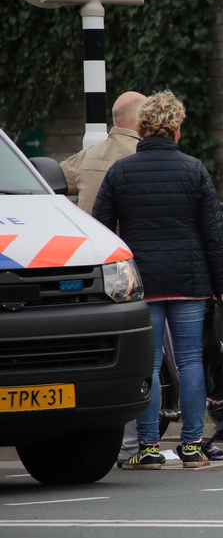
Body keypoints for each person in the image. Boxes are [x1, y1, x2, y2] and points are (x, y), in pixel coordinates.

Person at [93, 90, 223, 469]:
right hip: (190, 280)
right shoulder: (194, 169)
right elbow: (214, 233)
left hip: (143, 283)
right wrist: (218, 285)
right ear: (176, 129)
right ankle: (192, 446)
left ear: (141, 128)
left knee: (148, 365)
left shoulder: (120, 172)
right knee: (190, 361)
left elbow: (101, 230)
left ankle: (149, 448)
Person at [59, 90, 147, 466]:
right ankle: (137, 443)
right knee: (147, 355)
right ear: (140, 120)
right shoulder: (143, 156)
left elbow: (52, 179)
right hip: (129, 271)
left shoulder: (90, 157)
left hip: (85, 271)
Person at [60, 91, 146, 214]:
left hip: (89, 226)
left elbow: (46, 180)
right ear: (142, 119)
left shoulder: (86, 157)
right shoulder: (147, 155)